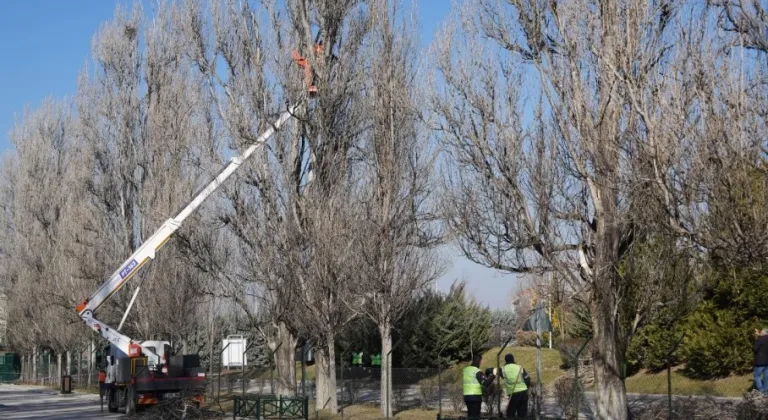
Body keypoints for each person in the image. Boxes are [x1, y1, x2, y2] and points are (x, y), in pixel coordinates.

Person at [463, 353, 495, 418]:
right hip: (475, 396)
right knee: (475, 416)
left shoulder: (466, 370)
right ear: (479, 361)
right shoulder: (477, 371)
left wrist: (485, 375)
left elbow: (476, 379)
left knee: (470, 415)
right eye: (480, 362)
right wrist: (494, 375)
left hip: (467, 396)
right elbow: (486, 383)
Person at [500, 354, 531, 418]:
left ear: (505, 360)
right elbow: (527, 379)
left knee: (510, 413)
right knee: (522, 413)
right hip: (523, 392)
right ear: (513, 359)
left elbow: (502, 376)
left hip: (513, 393)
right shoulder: (520, 367)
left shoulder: (503, 369)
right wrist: (526, 388)